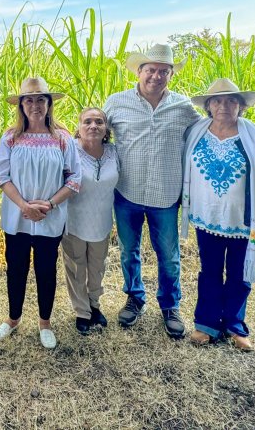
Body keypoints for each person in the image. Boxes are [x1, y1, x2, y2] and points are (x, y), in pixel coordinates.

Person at [103, 44, 200, 337]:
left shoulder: (183, 107)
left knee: (168, 254)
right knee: (128, 250)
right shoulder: (116, 103)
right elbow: (94, 131)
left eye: (163, 71)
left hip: (166, 194)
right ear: (139, 71)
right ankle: (134, 297)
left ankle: (170, 305)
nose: (156, 76)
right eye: (150, 70)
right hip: (127, 191)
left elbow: (204, 136)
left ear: (170, 74)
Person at [180, 79, 255, 352]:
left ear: (241, 106)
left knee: (239, 273)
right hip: (206, 216)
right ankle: (206, 323)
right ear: (208, 106)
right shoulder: (196, 131)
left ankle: (235, 324)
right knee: (209, 271)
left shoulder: (253, 134)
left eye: (231, 100)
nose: (224, 106)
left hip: (244, 219)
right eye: (217, 101)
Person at [0, 77, 81, 349]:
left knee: (45, 269)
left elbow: (75, 178)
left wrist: (50, 204)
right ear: (21, 105)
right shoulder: (11, 138)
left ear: (49, 104)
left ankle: (45, 322)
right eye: (28, 100)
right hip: (17, 216)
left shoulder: (62, 138)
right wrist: (24, 205)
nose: (35, 105)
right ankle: (13, 317)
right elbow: (1, 176)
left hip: (50, 216)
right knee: (15, 268)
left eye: (41, 99)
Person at [62, 108, 119, 335]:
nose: (93, 126)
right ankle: (82, 312)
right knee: (76, 267)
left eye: (99, 122)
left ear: (106, 129)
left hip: (102, 221)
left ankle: (95, 305)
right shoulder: (69, 150)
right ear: (79, 126)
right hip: (74, 221)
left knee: (97, 267)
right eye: (87, 121)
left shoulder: (114, 152)